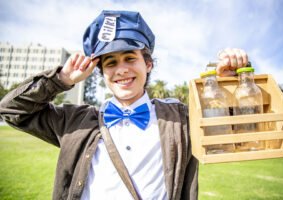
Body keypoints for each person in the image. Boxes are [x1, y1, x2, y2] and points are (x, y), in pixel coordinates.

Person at [0, 10, 248, 200]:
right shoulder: (74, 121)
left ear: (148, 64)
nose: (121, 70)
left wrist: (228, 83)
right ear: (102, 72)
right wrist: (60, 80)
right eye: (110, 63)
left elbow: (228, 132)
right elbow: (11, 110)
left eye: (130, 58)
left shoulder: (179, 117)